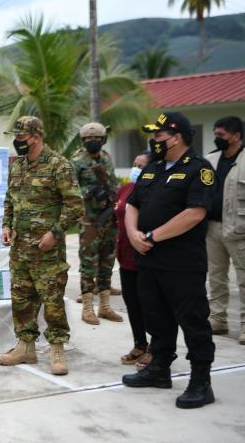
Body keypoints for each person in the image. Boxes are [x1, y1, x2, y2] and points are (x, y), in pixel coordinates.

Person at [122, 112, 216, 409]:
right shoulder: (153, 168)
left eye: (159, 135)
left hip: (182, 262)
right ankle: (159, 369)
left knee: (193, 320)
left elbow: (195, 213)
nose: (154, 140)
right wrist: (134, 234)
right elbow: (132, 204)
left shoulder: (199, 169)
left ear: (176, 138)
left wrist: (152, 237)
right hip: (149, 260)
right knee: (157, 317)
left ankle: (201, 381)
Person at [0, 116, 84, 375]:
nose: (17, 142)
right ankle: (26, 347)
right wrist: (6, 225)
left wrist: (55, 233)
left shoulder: (59, 165)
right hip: (20, 248)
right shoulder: (17, 166)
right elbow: (10, 200)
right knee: (21, 298)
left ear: (36, 137)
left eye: (21, 137)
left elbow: (75, 206)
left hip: (47, 250)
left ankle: (57, 349)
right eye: (16, 137)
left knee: (52, 299)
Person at [72, 122, 123, 325]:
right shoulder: (77, 161)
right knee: (87, 264)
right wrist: (90, 192)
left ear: (103, 140)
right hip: (89, 220)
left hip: (108, 217)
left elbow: (113, 182)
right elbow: (70, 190)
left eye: (96, 138)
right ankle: (87, 308)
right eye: (88, 139)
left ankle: (104, 306)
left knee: (107, 261)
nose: (92, 141)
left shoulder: (106, 158)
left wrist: (113, 195)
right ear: (83, 141)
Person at [205, 116, 245, 344]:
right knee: (216, 276)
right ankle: (218, 319)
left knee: (244, 278)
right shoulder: (210, 160)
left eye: (221, 135)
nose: (217, 138)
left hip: (240, 229)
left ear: (236, 136)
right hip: (212, 227)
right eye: (215, 134)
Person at [115, 152, 151, 369]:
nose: (136, 169)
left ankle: (156, 348)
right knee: (132, 302)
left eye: (141, 166)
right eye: (134, 164)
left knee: (151, 304)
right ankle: (140, 344)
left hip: (146, 254)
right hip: (125, 255)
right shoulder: (125, 189)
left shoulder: (155, 190)